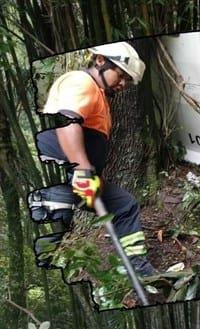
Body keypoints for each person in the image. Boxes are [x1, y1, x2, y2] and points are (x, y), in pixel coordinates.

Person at [36, 41, 155, 276]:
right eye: (120, 75)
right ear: (100, 60)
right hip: (65, 173)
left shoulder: (97, 93)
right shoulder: (81, 82)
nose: (122, 84)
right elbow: (66, 122)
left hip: (80, 175)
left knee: (125, 206)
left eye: (127, 81)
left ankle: (139, 269)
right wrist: (82, 169)